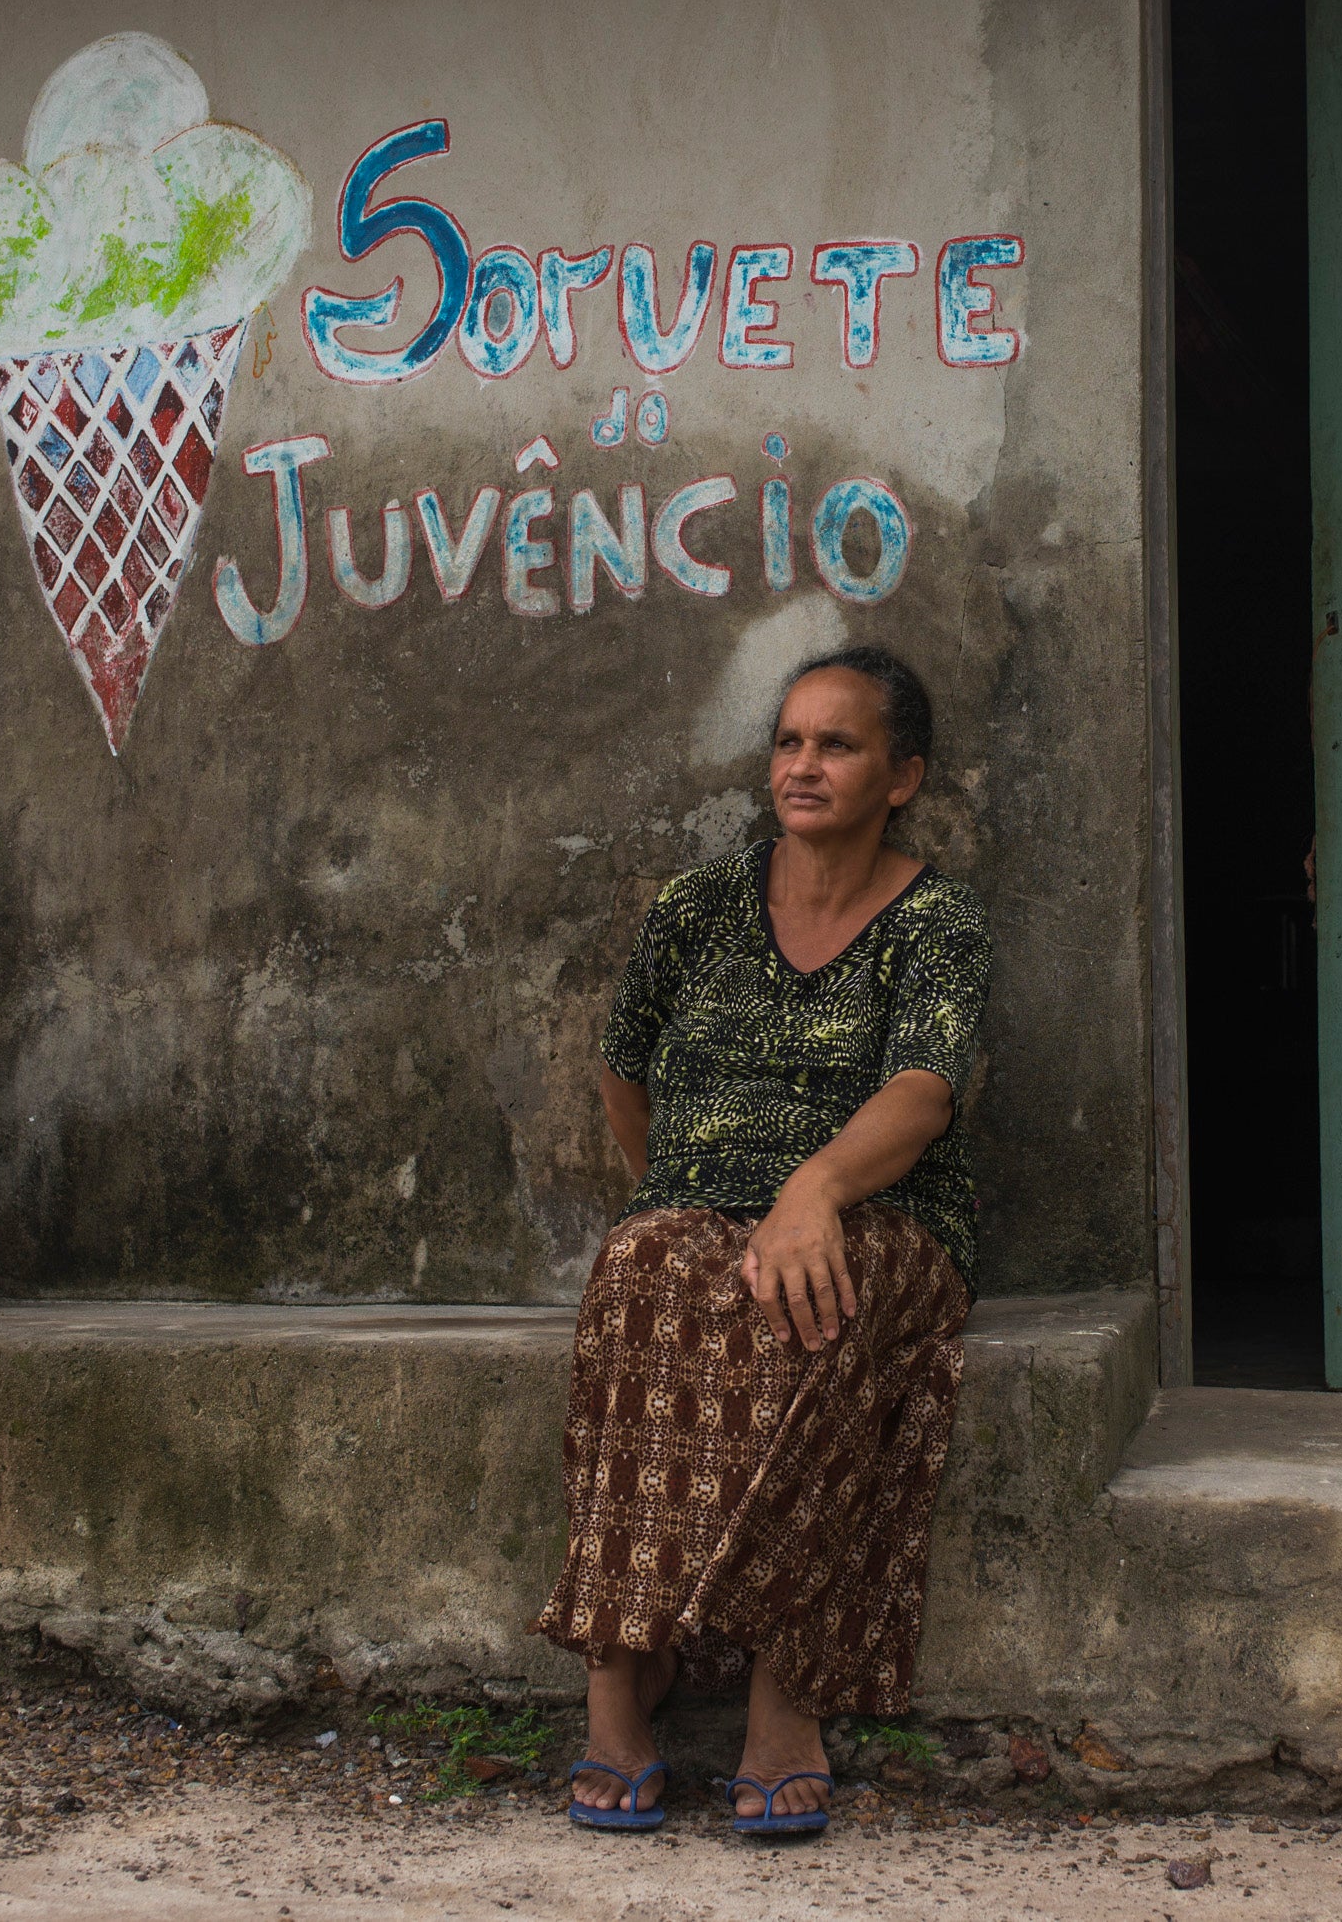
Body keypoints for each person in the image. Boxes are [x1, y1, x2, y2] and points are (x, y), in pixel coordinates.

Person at [533, 644, 991, 1838]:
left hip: (882, 1215)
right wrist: (679, 1198)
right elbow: (621, 1072)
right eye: (789, 740)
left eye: (836, 744)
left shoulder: (935, 923)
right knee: (640, 1272)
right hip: (703, 1201)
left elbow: (925, 1089)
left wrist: (812, 1193)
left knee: (811, 1302)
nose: (802, 764)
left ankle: (784, 1696)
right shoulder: (698, 909)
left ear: (901, 775)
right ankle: (618, 1675)